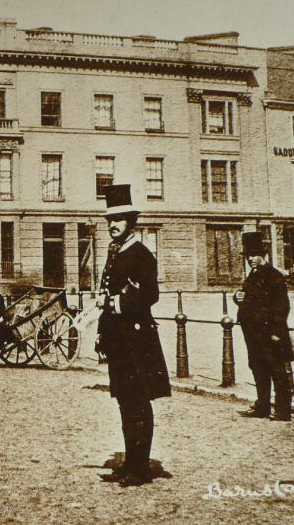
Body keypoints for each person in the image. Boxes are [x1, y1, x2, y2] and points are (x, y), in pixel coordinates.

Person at [94, 184, 170, 487]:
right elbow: (107, 292)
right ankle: (130, 461)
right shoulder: (116, 251)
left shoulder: (141, 253)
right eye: (110, 220)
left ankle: (140, 469)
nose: (113, 225)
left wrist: (113, 303)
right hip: (119, 340)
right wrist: (102, 334)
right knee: (125, 401)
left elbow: (150, 295)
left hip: (138, 341)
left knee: (138, 402)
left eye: (120, 220)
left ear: (131, 223)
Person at [233, 231, 294, 422]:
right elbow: (247, 297)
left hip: (269, 332)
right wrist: (238, 297)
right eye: (248, 255)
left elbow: (282, 306)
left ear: (264, 255)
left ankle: (283, 410)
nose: (251, 259)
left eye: (254, 255)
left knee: (276, 369)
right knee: (258, 368)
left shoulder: (273, 275)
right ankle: (262, 405)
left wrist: (277, 332)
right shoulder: (253, 274)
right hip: (253, 332)